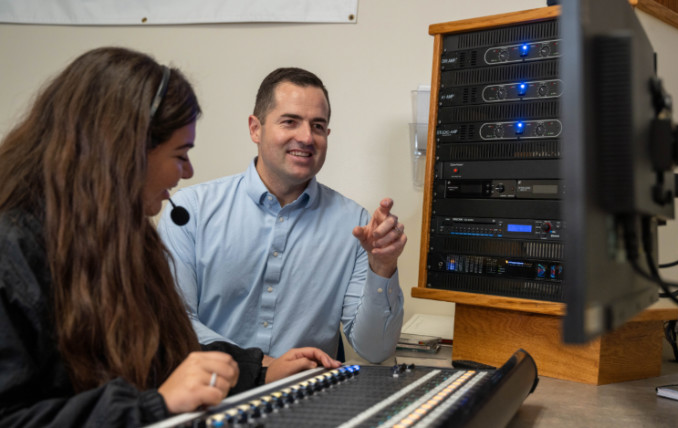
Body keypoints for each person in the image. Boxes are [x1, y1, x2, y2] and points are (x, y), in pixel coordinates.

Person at [0, 48, 339, 428]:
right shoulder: (12, 249)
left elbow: (166, 352)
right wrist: (155, 407)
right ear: (123, 152)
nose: (189, 170)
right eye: (180, 154)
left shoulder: (122, 239)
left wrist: (261, 373)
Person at [158, 67, 407, 364]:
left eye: (317, 126)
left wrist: (383, 267)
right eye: (290, 122)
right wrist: (262, 367)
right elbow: (175, 324)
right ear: (255, 128)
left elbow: (375, 349)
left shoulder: (353, 223)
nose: (306, 137)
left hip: (307, 402)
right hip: (212, 394)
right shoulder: (191, 211)